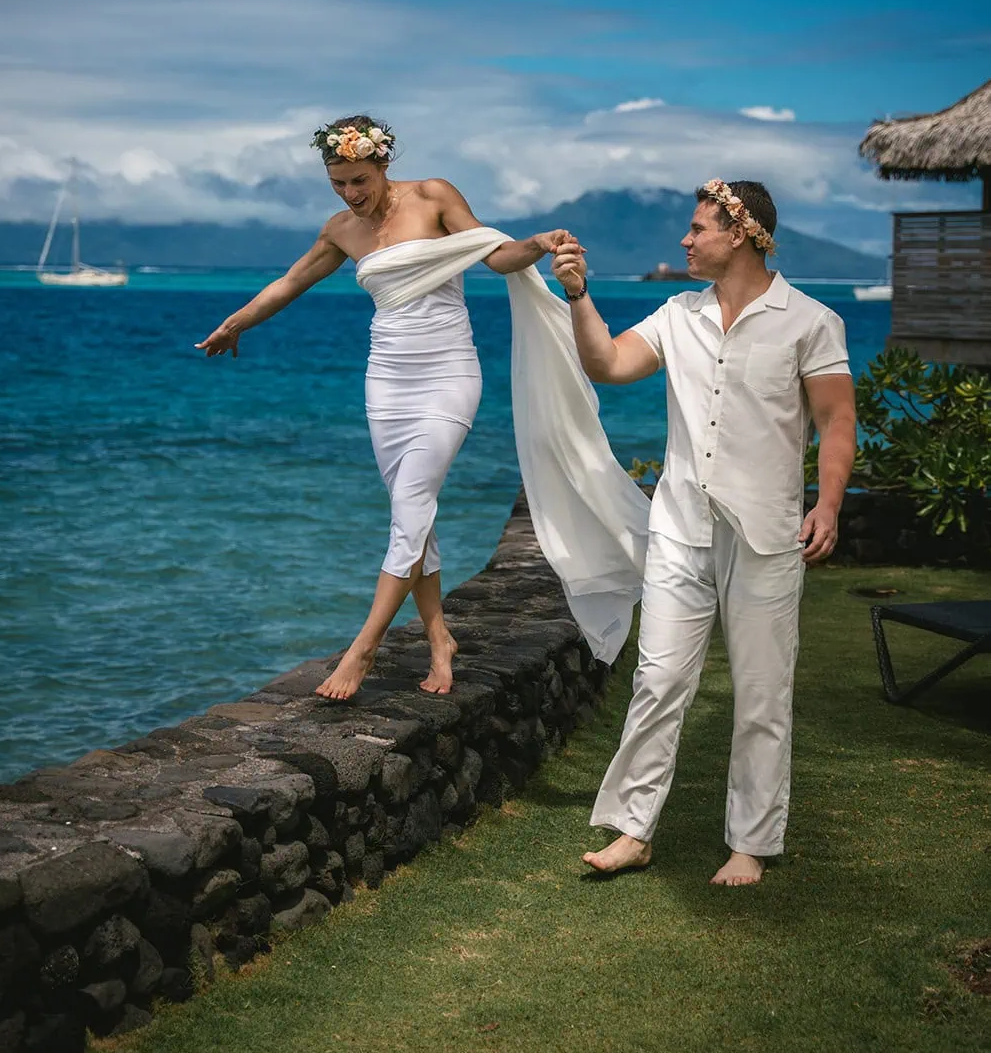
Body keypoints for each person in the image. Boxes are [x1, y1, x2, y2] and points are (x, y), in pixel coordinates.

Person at [196, 115, 578, 701]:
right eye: (338, 183)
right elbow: (289, 282)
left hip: (450, 374)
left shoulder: (434, 197)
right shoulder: (342, 231)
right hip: (387, 383)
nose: (352, 193)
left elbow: (493, 254)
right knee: (410, 510)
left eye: (359, 180)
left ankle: (363, 649)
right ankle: (439, 639)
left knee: (412, 505)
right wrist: (235, 322)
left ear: (382, 164)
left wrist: (538, 243)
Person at [552, 179, 856, 887]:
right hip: (680, 526)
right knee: (656, 680)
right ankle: (631, 831)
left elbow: (837, 421)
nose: (684, 242)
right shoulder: (675, 315)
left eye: (696, 229)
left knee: (760, 692)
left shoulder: (809, 321)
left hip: (768, 535)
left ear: (740, 232)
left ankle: (749, 845)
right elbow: (608, 364)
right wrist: (576, 296)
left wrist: (829, 503)